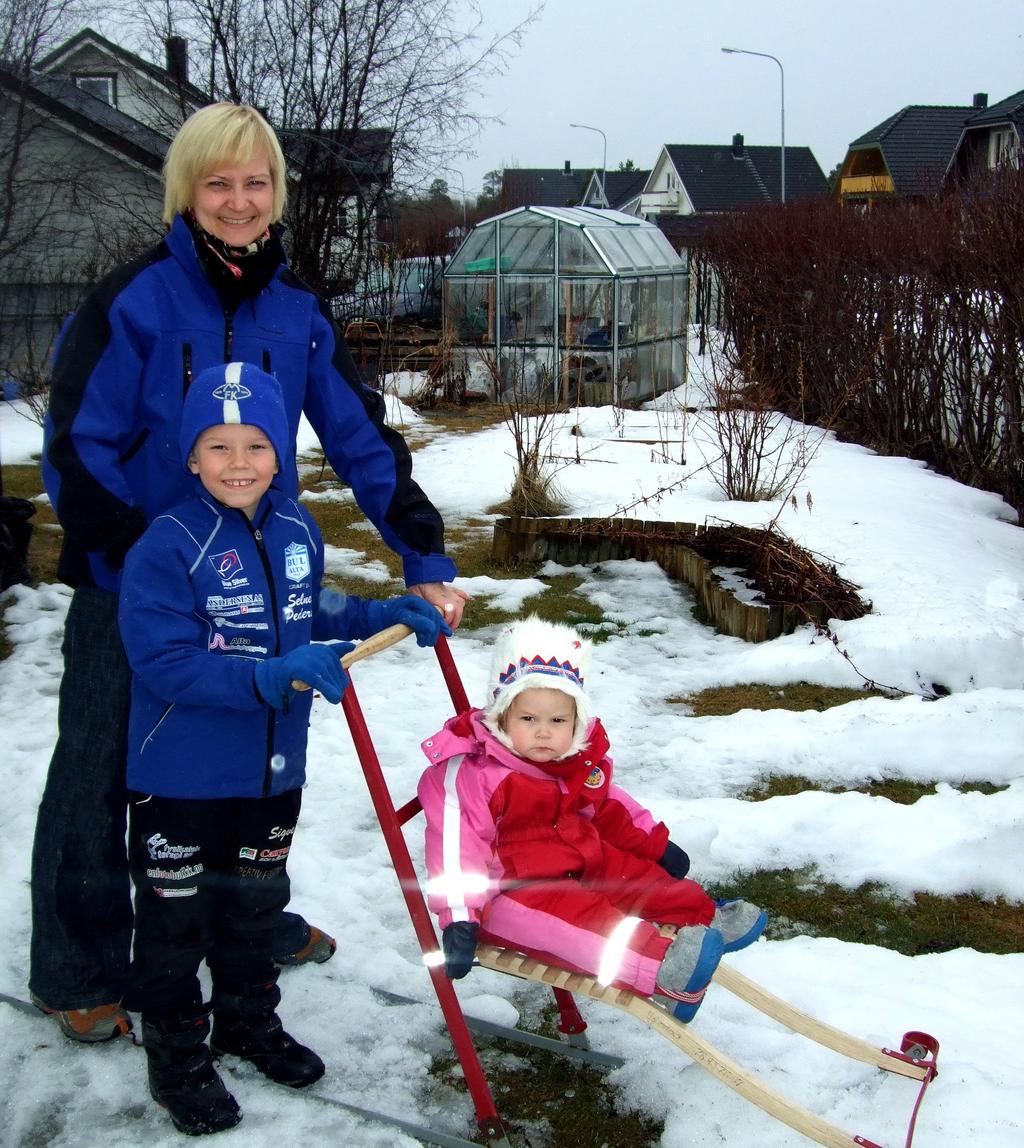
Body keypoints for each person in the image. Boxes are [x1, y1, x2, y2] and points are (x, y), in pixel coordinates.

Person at [32, 100, 468, 1043]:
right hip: (135, 589)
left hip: (260, 583)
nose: (238, 200)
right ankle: (80, 967)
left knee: (249, 770)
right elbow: (75, 448)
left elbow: (360, 435)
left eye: (256, 182)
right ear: (185, 191)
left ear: (277, 196)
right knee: (105, 772)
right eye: (218, 182)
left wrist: (421, 553)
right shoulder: (133, 301)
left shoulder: (297, 313)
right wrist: (137, 557)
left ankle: (247, 922)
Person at [117, 361, 451, 1135]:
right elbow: (163, 661)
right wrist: (269, 677)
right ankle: (177, 1059)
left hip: (271, 769)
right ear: (189, 456)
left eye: (258, 446)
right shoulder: (167, 546)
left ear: (283, 456)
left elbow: (304, 607)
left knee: (254, 904)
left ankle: (246, 1023)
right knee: (175, 925)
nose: (240, 464)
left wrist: (374, 613)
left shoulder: (297, 526)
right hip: (183, 778)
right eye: (219, 446)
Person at [418, 616, 767, 1022]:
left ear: (576, 722)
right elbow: (457, 848)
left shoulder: (572, 761)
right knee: (587, 926)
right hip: (511, 894)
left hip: (580, 858)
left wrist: (653, 843)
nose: (544, 734)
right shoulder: (473, 774)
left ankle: (706, 916)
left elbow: (609, 805)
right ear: (500, 715)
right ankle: (664, 969)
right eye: (528, 719)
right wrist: (459, 917)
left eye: (557, 721)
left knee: (640, 879)